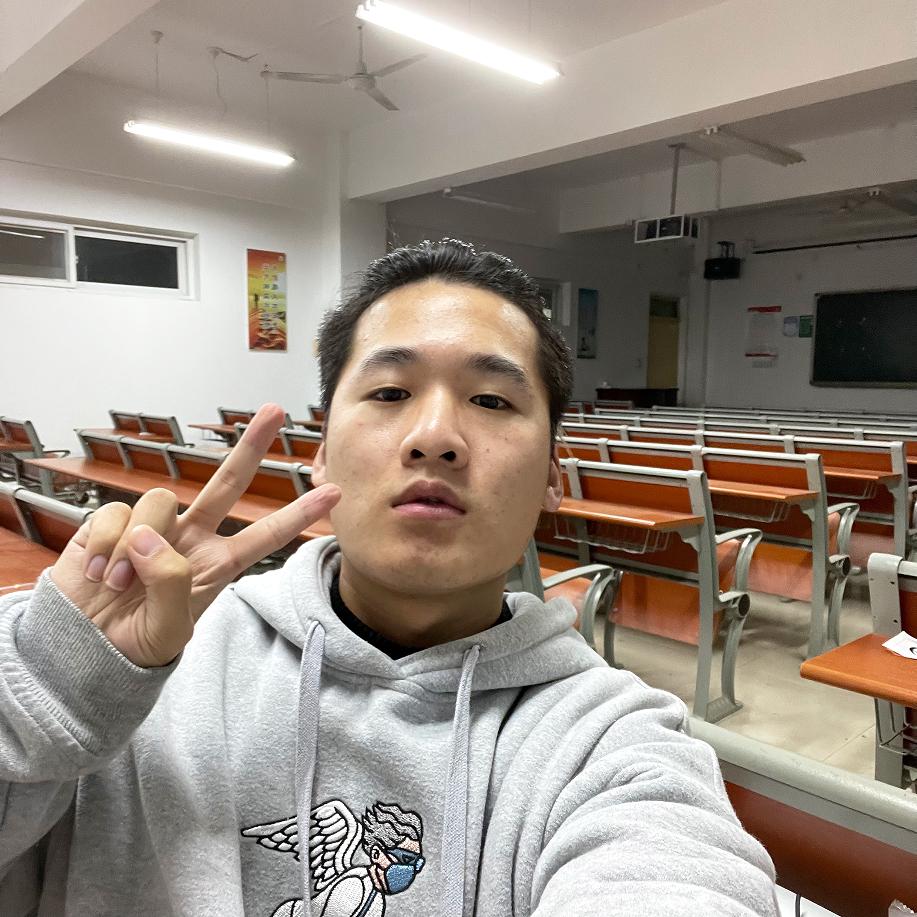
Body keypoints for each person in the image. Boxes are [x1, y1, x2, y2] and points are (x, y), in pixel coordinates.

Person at [0, 239, 778, 916]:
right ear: (319, 453)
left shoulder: (609, 742)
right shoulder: (133, 674)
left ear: (552, 475)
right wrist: (50, 689)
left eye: (491, 399)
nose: (434, 435)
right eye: (389, 392)